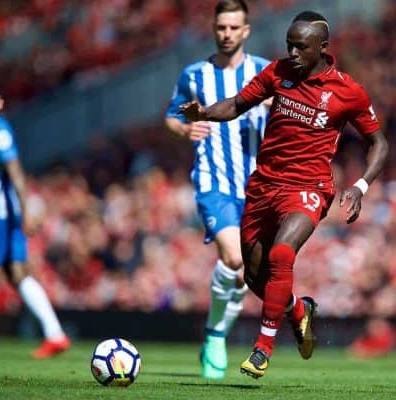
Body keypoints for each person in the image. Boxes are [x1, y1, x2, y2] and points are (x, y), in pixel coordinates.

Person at [182, 10, 388, 379]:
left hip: (308, 188)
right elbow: (237, 104)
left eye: (300, 47)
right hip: (263, 186)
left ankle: (262, 350)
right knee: (255, 277)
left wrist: (360, 186)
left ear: (322, 49)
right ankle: (297, 311)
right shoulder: (278, 72)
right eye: (289, 45)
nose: (292, 53)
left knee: (282, 253)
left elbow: (379, 142)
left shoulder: (347, 91)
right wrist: (205, 113)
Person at [164, 0, 270, 379]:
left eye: (233, 27)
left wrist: (277, 107)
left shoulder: (264, 72)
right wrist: (184, 128)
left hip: (257, 187)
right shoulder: (195, 74)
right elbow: (173, 115)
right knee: (235, 257)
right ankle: (214, 336)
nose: (226, 34)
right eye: (221, 27)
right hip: (214, 182)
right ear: (214, 28)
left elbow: (290, 117)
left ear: (246, 30)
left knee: (243, 274)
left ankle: (216, 332)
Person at [0, 92, 70, 358]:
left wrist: (26, 208)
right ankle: (55, 335)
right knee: (16, 272)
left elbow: (15, 170)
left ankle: (55, 334)